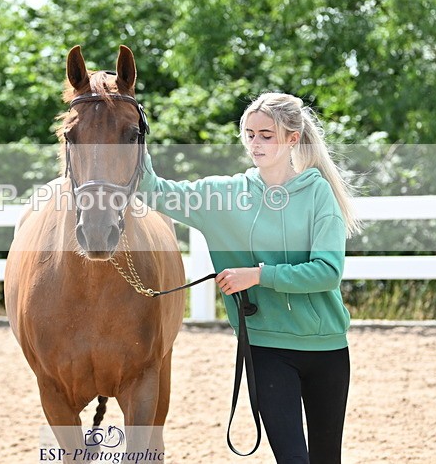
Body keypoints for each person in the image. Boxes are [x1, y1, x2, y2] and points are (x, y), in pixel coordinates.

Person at [138, 92, 361, 463]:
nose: (255, 143)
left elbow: (328, 272)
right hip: (266, 350)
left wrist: (257, 276)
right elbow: (154, 191)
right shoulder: (223, 196)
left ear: (293, 138)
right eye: (249, 134)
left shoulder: (318, 194)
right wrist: (135, 130)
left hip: (327, 350)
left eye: (266, 135)